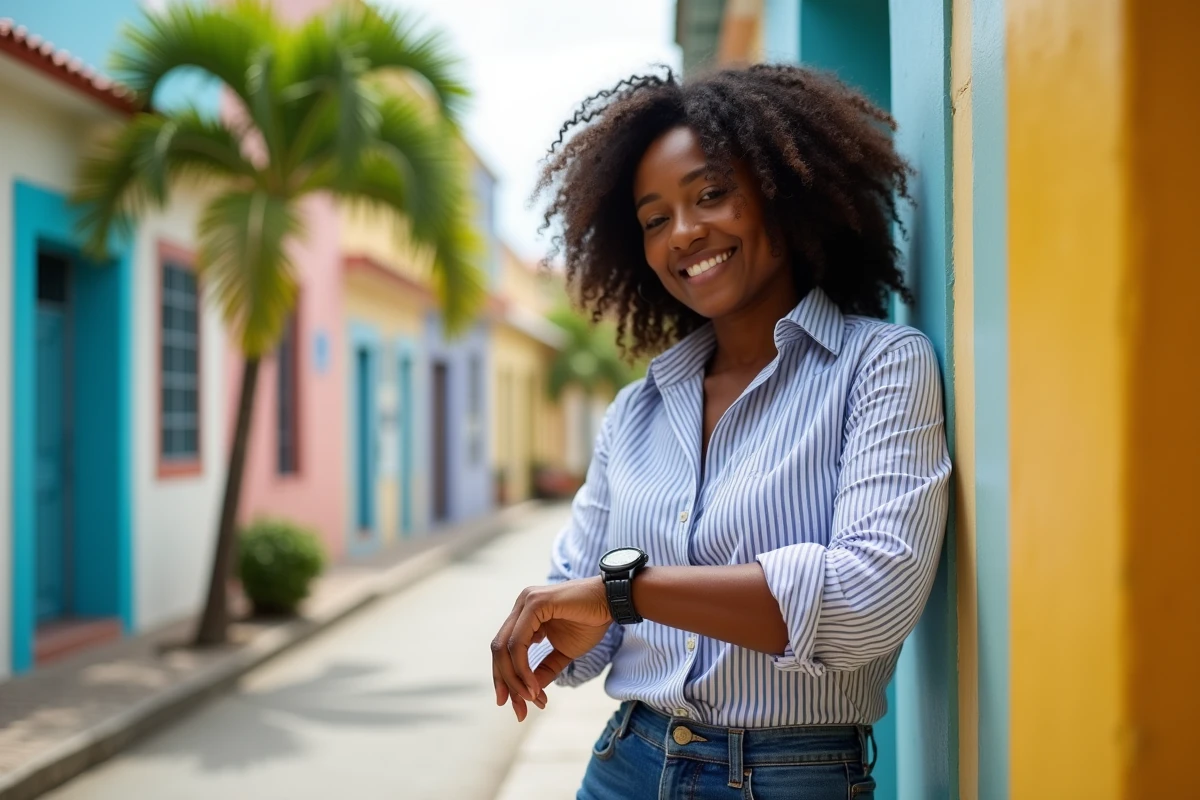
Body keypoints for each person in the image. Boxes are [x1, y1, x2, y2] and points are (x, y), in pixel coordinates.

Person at [489, 63, 951, 799]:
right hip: (626, 763)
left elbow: (867, 604)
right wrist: (551, 625)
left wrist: (624, 592)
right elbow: (580, 623)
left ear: (782, 190)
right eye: (654, 218)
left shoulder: (880, 367)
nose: (685, 233)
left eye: (711, 194)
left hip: (787, 777)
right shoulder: (637, 412)